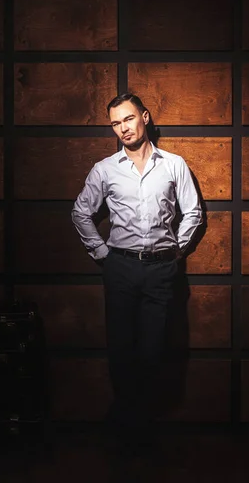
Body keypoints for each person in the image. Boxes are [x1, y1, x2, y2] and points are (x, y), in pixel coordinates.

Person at [71, 92, 203, 454]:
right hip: (121, 267)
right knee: (120, 349)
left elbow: (192, 212)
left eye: (128, 119)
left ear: (144, 117)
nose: (123, 128)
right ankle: (133, 428)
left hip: (161, 268)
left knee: (153, 349)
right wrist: (102, 253)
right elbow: (81, 213)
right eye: (116, 123)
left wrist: (177, 249)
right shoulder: (105, 169)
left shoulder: (174, 165)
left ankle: (131, 420)